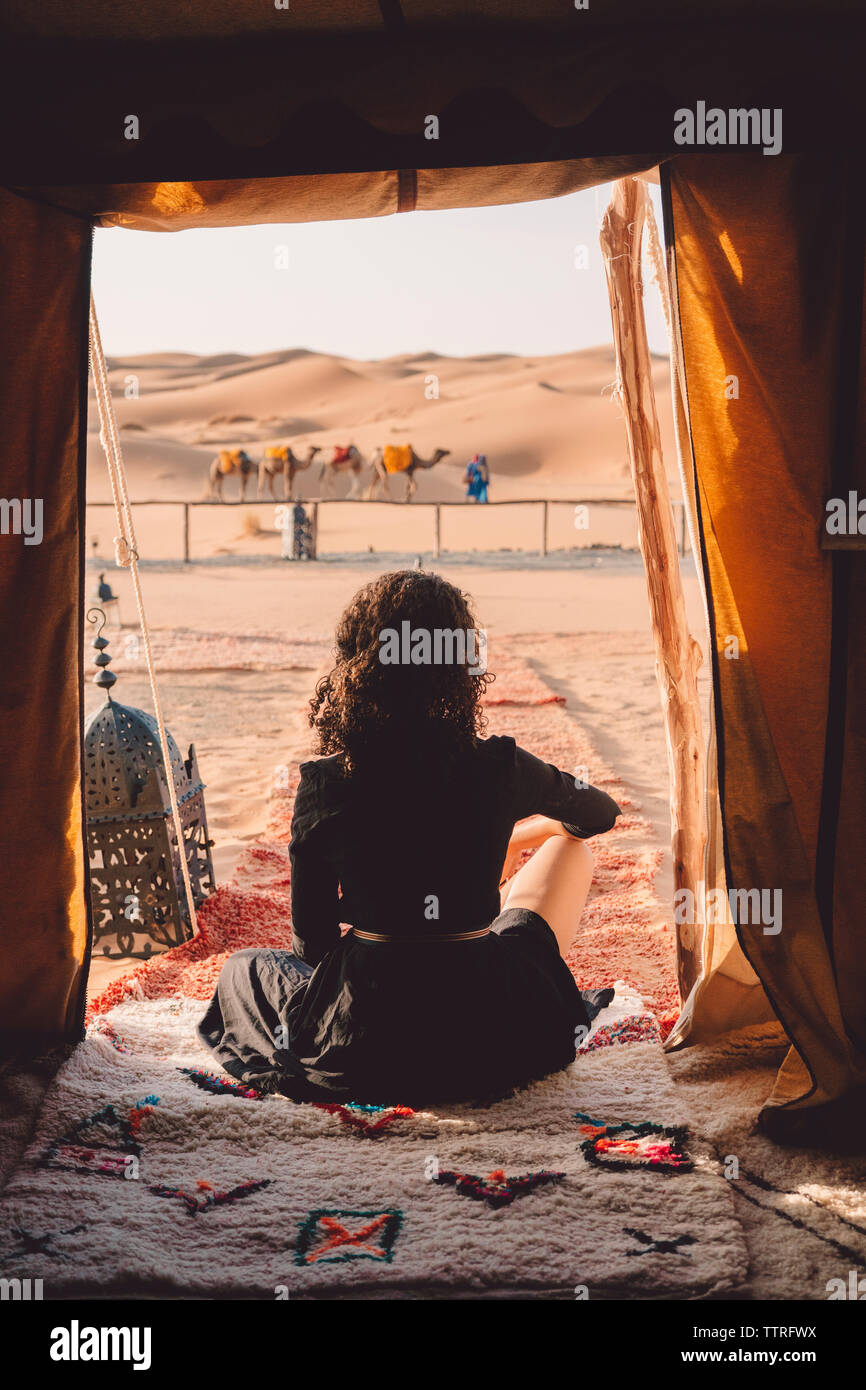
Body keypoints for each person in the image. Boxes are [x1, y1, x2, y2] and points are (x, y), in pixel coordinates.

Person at [199, 570, 620, 1105]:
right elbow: (600, 813)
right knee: (564, 853)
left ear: (355, 666)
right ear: (459, 665)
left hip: (361, 1053)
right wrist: (528, 828)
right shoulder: (500, 767)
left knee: (244, 970)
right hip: (491, 1042)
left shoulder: (326, 783)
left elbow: (312, 944)